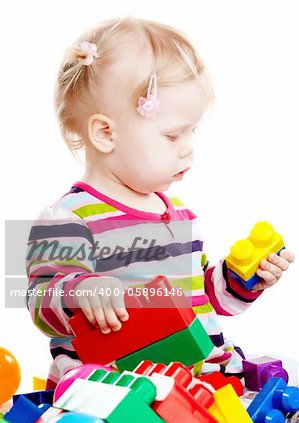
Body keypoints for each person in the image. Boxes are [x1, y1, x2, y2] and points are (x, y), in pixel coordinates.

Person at [25, 17, 294, 389]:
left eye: (191, 131)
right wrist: (83, 291)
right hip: (120, 393)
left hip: (204, 380)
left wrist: (241, 278)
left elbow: (202, 300)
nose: (188, 148)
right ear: (105, 133)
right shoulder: (66, 218)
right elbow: (39, 302)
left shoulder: (180, 216)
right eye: (172, 135)